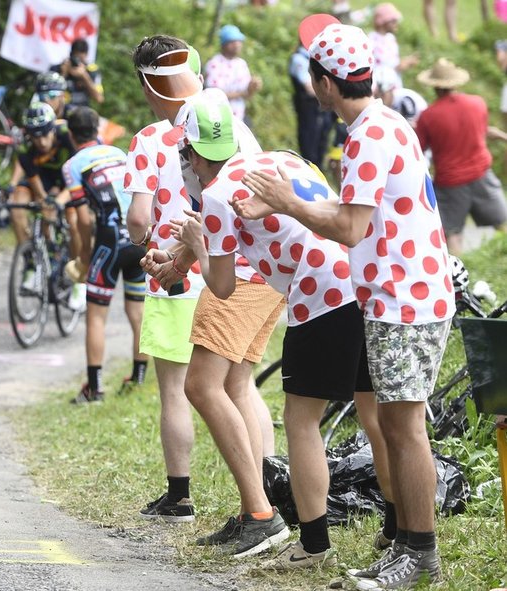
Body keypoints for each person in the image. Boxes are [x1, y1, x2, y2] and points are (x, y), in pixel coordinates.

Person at [239, 17, 454, 588]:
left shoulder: (366, 134)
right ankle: (404, 540)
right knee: (391, 421)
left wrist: (286, 201)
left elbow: (349, 227)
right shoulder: (387, 122)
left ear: (324, 85)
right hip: (404, 291)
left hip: (402, 297)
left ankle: (420, 554)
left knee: (404, 429)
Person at [173, 93, 390, 570]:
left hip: (320, 297)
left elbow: (224, 286)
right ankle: (397, 530)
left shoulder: (215, 195)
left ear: (191, 151)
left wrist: (196, 245)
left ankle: (313, 545)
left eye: (184, 153)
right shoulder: (274, 158)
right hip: (361, 280)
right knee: (374, 415)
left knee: (300, 421)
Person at [125, 37, 276, 529]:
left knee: (193, 387)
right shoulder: (220, 112)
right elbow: (217, 210)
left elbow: (153, 217)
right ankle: (267, 498)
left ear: (150, 84)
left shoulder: (173, 130)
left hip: (234, 270)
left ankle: (254, 509)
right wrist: (180, 259)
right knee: (238, 384)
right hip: (260, 266)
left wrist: (173, 257)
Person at [61, 107, 147, 403]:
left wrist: (85, 256)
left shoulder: (73, 165)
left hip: (109, 243)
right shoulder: (119, 153)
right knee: (137, 312)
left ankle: (94, 388)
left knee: (96, 318)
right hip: (139, 238)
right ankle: (138, 377)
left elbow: (83, 219)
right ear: (97, 130)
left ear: (70, 135)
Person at [415, 58, 507, 255]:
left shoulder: (428, 116)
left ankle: (464, 273)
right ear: (456, 82)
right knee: (502, 223)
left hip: (450, 183)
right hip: (482, 174)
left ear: (435, 87)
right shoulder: (477, 104)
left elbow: (419, 149)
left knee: (451, 233)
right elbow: (480, 132)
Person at [8, 102, 85, 311]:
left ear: (53, 129)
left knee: (74, 221)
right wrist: (44, 201)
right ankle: (31, 260)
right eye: (35, 136)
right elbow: (33, 181)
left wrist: (58, 201)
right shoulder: (25, 146)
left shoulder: (67, 135)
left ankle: (80, 279)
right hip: (42, 179)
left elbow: (76, 180)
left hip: (68, 178)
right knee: (17, 206)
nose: (41, 141)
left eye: (45, 135)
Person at [204, 25, 262, 125]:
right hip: (218, 122)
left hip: (239, 119)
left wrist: (253, 87)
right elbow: (214, 95)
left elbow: (247, 95)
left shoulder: (241, 64)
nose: (237, 45)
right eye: (232, 42)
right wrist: (243, 93)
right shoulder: (214, 64)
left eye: (239, 41)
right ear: (223, 44)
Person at [290, 43, 335, 168]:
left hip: (322, 110)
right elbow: (309, 88)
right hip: (308, 109)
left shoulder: (318, 59)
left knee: (321, 146)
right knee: (309, 151)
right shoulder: (299, 59)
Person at [369, 3, 418, 93]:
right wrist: (405, 63)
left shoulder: (390, 38)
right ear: (383, 22)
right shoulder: (373, 41)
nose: (396, 24)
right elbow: (386, 67)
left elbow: (393, 63)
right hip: (383, 89)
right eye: (393, 21)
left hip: (394, 85)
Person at [53, 37, 104, 109]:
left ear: (86, 56)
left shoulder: (91, 71)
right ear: (71, 54)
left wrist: (84, 77)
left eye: (81, 59)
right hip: (62, 111)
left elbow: (99, 98)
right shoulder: (58, 68)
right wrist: (63, 74)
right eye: (75, 58)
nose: (77, 62)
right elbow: (50, 94)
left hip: (82, 113)